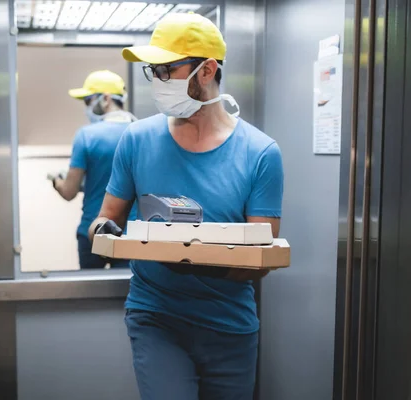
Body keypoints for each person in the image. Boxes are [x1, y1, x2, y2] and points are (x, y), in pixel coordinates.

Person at [88, 13, 284, 400]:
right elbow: (104, 220)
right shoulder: (137, 140)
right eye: (152, 71)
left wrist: (188, 257)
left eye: (166, 70)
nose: (157, 81)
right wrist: (105, 233)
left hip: (230, 326)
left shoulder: (260, 153)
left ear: (207, 70)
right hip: (156, 317)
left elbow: (260, 262)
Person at [51, 70, 137, 269]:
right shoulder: (139, 132)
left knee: (90, 295)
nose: (87, 107)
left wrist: (57, 182)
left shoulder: (86, 136)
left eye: (88, 100)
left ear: (105, 99)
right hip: (130, 234)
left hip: (92, 231)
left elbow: (69, 191)